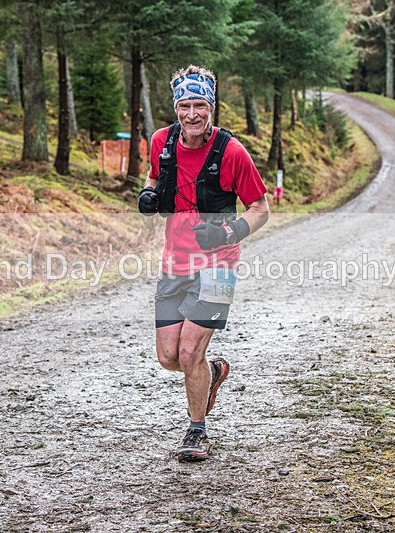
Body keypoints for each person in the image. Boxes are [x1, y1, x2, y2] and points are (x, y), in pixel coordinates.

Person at [137, 65, 270, 462]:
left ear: (211, 107)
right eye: (184, 105)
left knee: (190, 351)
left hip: (219, 266)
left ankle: (197, 432)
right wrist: (148, 194)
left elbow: (260, 209)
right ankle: (211, 374)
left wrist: (229, 233)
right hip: (174, 262)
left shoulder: (232, 152)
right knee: (169, 357)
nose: (191, 114)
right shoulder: (162, 142)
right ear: (175, 107)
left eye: (199, 105)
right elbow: (153, 177)